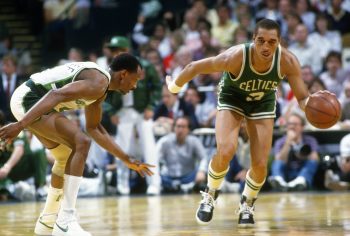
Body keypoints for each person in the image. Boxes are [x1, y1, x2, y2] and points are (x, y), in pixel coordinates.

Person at [165, 18, 314, 228]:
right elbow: (194, 66)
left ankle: (247, 202)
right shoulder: (235, 56)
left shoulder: (287, 61)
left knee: (261, 166)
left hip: (262, 102)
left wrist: (316, 105)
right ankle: (210, 193)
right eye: (261, 40)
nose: (265, 46)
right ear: (253, 39)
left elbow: (303, 98)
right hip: (232, 98)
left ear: (279, 42)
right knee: (226, 149)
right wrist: (174, 87)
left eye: (271, 42)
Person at [0, 53, 154, 236]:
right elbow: (56, 94)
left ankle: (48, 221)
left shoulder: (100, 90)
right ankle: (65, 220)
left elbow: (94, 128)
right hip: (30, 99)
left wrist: (126, 158)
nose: (135, 86)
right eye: (135, 80)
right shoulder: (99, 81)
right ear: (123, 74)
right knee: (81, 142)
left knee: (65, 155)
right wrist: (20, 125)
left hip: (33, 101)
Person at [156, 116, 208, 193]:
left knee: (201, 176)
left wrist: (202, 171)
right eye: (178, 126)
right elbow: (154, 159)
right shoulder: (164, 141)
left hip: (189, 178)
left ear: (188, 129)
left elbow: (204, 158)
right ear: (173, 128)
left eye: (183, 127)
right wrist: (156, 174)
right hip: (167, 178)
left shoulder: (194, 141)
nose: (180, 130)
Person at [269, 113, 319, 191]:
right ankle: (278, 180)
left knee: (312, 162)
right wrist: (288, 142)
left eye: (295, 124)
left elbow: (315, 158)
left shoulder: (310, 140)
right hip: (286, 172)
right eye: (289, 124)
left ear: (302, 127)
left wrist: (302, 152)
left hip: (301, 171)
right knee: (277, 163)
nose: (292, 126)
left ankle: (301, 180)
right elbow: (279, 159)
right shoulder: (280, 142)